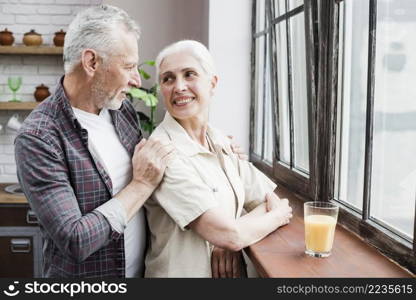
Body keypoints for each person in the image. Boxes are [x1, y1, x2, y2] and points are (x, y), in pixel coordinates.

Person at [14, 5, 176, 278]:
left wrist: (215, 147)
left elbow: (152, 161)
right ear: (91, 62)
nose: (136, 80)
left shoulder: (121, 110)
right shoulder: (38, 138)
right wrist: (141, 185)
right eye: (128, 66)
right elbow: (75, 240)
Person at [144, 40, 293, 278]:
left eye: (189, 74)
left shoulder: (222, 141)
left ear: (212, 83)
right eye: (168, 79)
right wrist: (241, 232)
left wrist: (234, 235)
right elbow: (232, 233)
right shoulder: (162, 152)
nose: (179, 86)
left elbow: (268, 199)